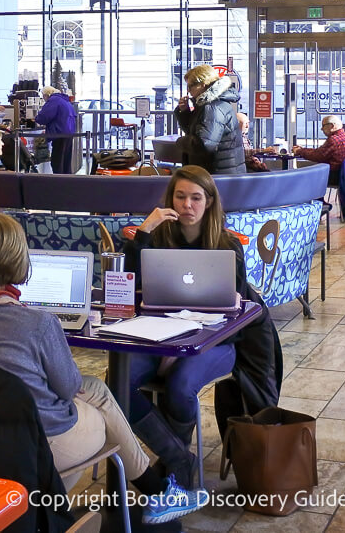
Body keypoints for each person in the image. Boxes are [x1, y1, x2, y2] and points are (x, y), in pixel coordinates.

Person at [0, 213, 209, 525]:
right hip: (37, 441)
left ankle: (38, 513)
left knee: (97, 389)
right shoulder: (38, 323)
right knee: (98, 398)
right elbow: (68, 386)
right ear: (19, 260)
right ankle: (152, 493)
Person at [122, 165, 281, 488]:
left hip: (216, 343)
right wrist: (145, 231)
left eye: (196, 198)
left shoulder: (227, 246)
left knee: (181, 387)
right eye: (180, 197)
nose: (187, 205)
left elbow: (234, 312)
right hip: (160, 338)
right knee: (117, 382)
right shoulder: (158, 240)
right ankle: (179, 458)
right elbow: (126, 281)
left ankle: (171, 464)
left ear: (209, 202)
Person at [175, 65, 244, 175]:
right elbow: (194, 131)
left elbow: (204, 144)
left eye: (191, 86)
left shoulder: (213, 107)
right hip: (220, 172)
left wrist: (180, 142)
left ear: (203, 84)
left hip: (218, 175)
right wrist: (184, 112)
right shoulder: (208, 104)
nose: (188, 90)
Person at [292, 114, 345, 180]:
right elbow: (320, 152)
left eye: (323, 125)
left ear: (332, 126)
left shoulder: (333, 140)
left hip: (335, 175)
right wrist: (303, 150)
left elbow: (318, 156)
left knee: (302, 176)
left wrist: (299, 151)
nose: (321, 129)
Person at [35, 86, 76, 175]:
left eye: (43, 96)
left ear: (47, 94)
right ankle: (68, 183)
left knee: (57, 161)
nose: (44, 99)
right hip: (69, 133)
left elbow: (44, 116)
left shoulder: (53, 100)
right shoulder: (64, 100)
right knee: (66, 161)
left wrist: (36, 118)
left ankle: (58, 183)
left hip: (59, 133)